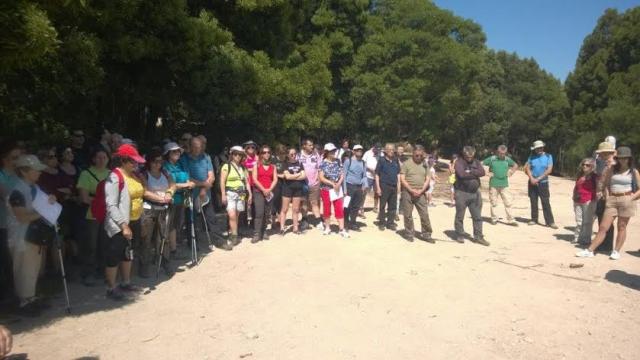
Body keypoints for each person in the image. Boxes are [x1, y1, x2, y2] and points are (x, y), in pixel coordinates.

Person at [8, 155, 57, 315]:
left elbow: (40, 206)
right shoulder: (16, 191)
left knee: (33, 268)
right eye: (36, 169)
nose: (39, 172)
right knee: (23, 269)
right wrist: (43, 211)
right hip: (21, 237)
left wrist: (50, 202)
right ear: (24, 171)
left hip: (34, 235)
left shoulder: (35, 188)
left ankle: (31, 298)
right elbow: (21, 216)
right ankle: (24, 302)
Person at [576, 147, 639, 259]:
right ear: (617, 158)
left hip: (627, 199)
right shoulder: (612, 169)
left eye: (625, 158)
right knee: (603, 227)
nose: (622, 160)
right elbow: (605, 183)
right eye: (620, 158)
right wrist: (608, 195)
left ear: (629, 159)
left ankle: (616, 251)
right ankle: (590, 250)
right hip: (613, 199)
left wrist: (632, 197)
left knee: (622, 226)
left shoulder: (633, 171)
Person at [104, 144, 146, 301]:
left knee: (128, 253)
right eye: (132, 162)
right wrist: (123, 225)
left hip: (131, 220)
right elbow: (111, 205)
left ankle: (126, 282)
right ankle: (111, 287)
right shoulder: (114, 177)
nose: (135, 165)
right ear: (123, 160)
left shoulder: (131, 175)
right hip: (118, 225)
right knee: (114, 255)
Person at [76, 148, 110, 286]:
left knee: (104, 243)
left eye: (104, 157)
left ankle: (102, 270)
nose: (102, 160)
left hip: (108, 214)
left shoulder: (112, 173)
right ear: (94, 159)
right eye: (99, 157)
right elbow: (84, 197)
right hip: (92, 215)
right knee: (91, 245)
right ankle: (87, 273)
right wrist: (102, 202)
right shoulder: (86, 174)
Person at [140, 149, 176, 277]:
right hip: (149, 209)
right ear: (149, 162)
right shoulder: (144, 174)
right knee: (146, 238)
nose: (157, 164)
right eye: (154, 161)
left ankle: (164, 261)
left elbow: (173, 185)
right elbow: (145, 192)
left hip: (165, 209)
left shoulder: (165, 173)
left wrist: (169, 193)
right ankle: (144, 265)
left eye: (160, 161)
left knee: (163, 237)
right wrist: (162, 198)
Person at [179, 136, 216, 252]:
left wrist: (204, 187)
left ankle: (218, 240)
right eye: (195, 147)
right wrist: (204, 184)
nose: (197, 149)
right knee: (191, 219)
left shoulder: (206, 157)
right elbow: (187, 178)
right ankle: (193, 243)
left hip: (205, 193)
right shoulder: (184, 158)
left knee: (211, 217)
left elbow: (212, 175)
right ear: (190, 146)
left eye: (199, 147)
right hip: (190, 193)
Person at [162, 142, 194, 259]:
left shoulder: (180, 165)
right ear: (168, 154)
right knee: (170, 226)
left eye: (178, 151)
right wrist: (186, 185)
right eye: (174, 151)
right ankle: (171, 251)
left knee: (177, 224)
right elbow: (171, 184)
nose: (177, 153)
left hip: (181, 199)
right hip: (171, 199)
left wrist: (189, 184)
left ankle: (174, 249)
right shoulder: (165, 167)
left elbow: (186, 178)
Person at [453, 146, 489, 246]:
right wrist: (475, 174)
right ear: (464, 155)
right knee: (460, 215)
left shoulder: (476, 162)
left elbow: (482, 172)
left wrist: (471, 172)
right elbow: (461, 175)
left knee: (477, 216)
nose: (470, 158)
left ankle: (478, 236)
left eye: (471, 156)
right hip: (461, 193)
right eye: (467, 156)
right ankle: (460, 234)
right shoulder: (458, 162)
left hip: (475, 193)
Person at [399, 145, 434, 243]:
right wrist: (411, 189)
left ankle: (427, 234)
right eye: (416, 155)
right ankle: (409, 233)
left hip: (420, 193)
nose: (418, 157)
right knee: (408, 214)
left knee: (424, 214)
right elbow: (402, 178)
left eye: (420, 155)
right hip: (408, 192)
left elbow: (428, 178)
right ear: (413, 154)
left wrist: (422, 190)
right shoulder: (406, 164)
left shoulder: (425, 164)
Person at [0, 141, 21, 302]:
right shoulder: (1, 176)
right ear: (4, 159)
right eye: (14, 158)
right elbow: (8, 196)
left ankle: (20, 295)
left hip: (19, 224)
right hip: (3, 224)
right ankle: (10, 297)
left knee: (16, 261)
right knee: (7, 262)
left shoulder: (18, 176)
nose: (17, 161)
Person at [220, 146, 251, 248]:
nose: (237, 156)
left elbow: (246, 182)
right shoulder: (226, 166)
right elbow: (222, 181)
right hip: (230, 193)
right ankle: (234, 235)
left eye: (240, 154)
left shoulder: (243, 168)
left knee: (237, 215)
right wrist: (223, 194)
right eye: (235, 154)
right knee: (232, 214)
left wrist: (249, 193)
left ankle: (233, 232)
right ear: (232, 155)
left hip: (241, 193)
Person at [523, 140, 558, 229]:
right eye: (537, 148)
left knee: (545, 202)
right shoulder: (531, 156)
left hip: (543, 182)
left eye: (540, 148)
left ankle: (550, 221)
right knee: (533, 201)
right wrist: (531, 178)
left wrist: (538, 179)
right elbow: (527, 168)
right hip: (532, 181)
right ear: (535, 149)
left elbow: (549, 170)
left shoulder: (548, 156)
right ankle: (534, 219)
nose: (539, 149)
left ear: (543, 147)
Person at [482, 145, 518, 225]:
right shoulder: (492, 159)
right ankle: (494, 219)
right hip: (493, 184)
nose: (502, 155)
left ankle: (511, 219)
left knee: (508, 202)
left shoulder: (507, 159)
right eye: (500, 153)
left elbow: (515, 165)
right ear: (497, 152)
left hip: (504, 184)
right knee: (494, 202)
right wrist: (486, 173)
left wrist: (511, 172)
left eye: (504, 153)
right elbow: (480, 164)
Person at [319, 143, 348, 237]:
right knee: (326, 208)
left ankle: (341, 229)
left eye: (334, 151)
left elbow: (342, 173)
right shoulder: (323, 163)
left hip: (337, 189)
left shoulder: (338, 161)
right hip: (326, 189)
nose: (333, 153)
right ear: (326, 152)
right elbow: (321, 177)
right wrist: (332, 184)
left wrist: (339, 183)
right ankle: (327, 227)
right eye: (331, 151)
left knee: (339, 208)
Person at [594, 140, 617, 251]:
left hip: (607, 196)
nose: (600, 155)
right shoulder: (607, 163)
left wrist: (606, 196)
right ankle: (604, 244)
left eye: (602, 153)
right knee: (601, 219)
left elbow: (609, 182)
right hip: (602, 195)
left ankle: (606, 245)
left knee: (606, 221)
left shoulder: (612, 164)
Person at [252, 145, 278, 243]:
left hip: (269, 192)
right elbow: (254, 179)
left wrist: (269, 189)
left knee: (267, 213)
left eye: (268, 152)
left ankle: (264, 231)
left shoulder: (273, 166)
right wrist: (263, 189)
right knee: (259, 212)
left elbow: (275, 179)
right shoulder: (257, 165)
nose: (266, 154)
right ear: (261, 154)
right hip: (259, 191)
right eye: (264, 152)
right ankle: (256, 233)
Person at [279, 147, 306, 235]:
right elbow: (287, 177)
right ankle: (282, 228)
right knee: (285, 209)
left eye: (295, 154)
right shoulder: (285, 164)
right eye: (291, 154)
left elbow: (304, 176)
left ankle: (295, 228)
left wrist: (293, 176)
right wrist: (298, 174)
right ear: (288, 155)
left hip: (298, 189)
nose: (293, 156)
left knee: (296, 209)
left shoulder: (300, 163)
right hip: (287, 188)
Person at [375, 143, 400, 231]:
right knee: (382, 205)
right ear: (385, 150)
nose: (391, 151)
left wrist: (399, 186)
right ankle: (381, 223)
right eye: (389, 149)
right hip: (384, 186)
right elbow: (377, 174)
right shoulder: (381, 160)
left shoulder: (396, 160)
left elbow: (398, 174)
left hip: (394, 186)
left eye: (393, 149)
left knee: (393, 206)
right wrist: (378, 187)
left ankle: (390, 223)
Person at [299, 138, 323, 230]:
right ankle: (304, 220)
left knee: (314, 202)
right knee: (304, 202)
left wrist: (318, 180)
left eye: (312, 145)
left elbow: (319, 168)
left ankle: (318, 221)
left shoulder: (316, 155)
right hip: (303, 184)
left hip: (314, 183)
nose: (312, 147)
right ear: (304, 146)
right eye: (309, 145)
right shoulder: (298, 155)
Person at [572, 158, 597, 245]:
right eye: (583, 164)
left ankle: (586, 239)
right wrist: (574, 196)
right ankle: (577, 237)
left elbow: (597, 188)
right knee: (579, 220)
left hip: (589, 200)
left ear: (592, 167)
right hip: (578, 200)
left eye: (587, 165)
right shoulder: (579, 175)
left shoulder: (594, 177)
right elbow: (576, 186)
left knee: (587, 221)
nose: (585, 166)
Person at [343, 145, 367, 232]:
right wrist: (344, 189)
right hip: (349, 186)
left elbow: (364, 176)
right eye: (357, 150)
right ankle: (345, 223)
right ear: (353, 151)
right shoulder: (348, 161)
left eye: (361, 150)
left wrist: (364, 186)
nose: (359, 151)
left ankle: (353, 223)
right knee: (347, 206)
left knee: (356, 206)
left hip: (359, 187)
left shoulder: (363, 163)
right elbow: (344, 176)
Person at [363, 144, 380, 214]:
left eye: (379, 149)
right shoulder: (367, 153)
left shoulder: (380, 154)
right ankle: (361, 207)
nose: (377, 151)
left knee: (377, 192)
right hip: (368, 176)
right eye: (377, 149)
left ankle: (375, 207)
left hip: (376, 176)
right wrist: (369, 169)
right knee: (364, 191)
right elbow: (363, 163)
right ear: (373, 148)